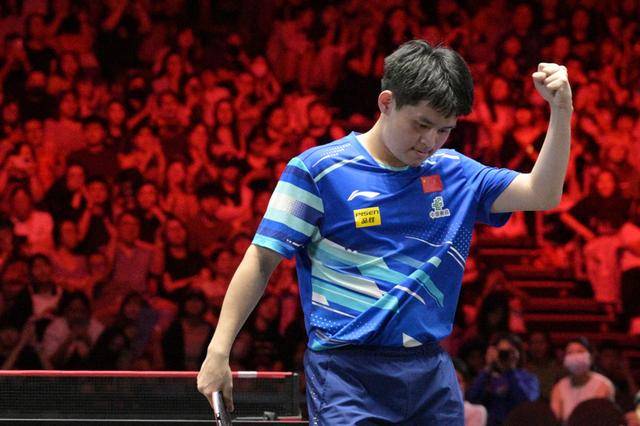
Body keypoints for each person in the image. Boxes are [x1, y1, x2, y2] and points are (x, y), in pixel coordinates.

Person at [197, 39, 572, 424]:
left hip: (430, 374)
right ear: (387, 102)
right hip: (346, 375)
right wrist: (219, 350)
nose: (429, 142)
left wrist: (561, 111)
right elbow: (261, 259)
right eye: (421, 125)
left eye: (444, 130)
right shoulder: (317, 171)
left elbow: (543, 193)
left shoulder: (455, 173)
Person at [466, 333, 540, 426]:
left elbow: (526, 403)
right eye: (501, 352)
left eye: (510, 351)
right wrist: (488, 368)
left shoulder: (529, 378)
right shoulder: (487, 376)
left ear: (518, 354)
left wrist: (511, 371)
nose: (505, 355)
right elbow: (471, 399)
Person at [550, 337, 615, 423]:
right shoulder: (559, 388)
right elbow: (553, 419)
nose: (575, 356)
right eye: (570, 353)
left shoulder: (604, 385)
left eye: (580, 351)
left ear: (591, 356)